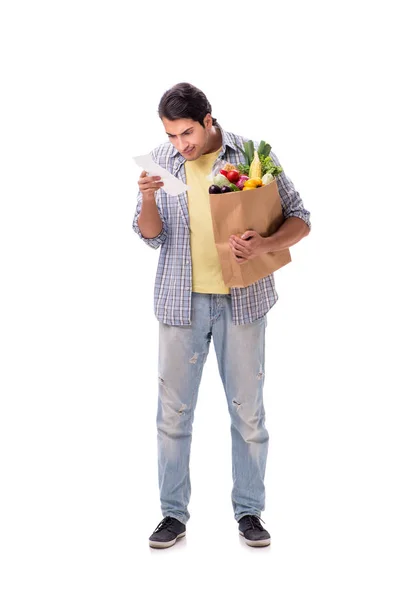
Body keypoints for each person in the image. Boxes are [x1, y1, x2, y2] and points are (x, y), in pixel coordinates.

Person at [132, 82, 311, 549]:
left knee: (247, 414)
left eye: (186, 132)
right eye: (171, 135)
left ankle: (249, 512)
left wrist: (265, 244)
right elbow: (150, 236)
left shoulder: (250, 156)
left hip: (243, 302)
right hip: (180, 303)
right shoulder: (160, 161)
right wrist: (148, 197)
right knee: (173, 415)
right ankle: (172, 515)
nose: (180, 144)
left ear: (209, 120)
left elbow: (300, 217)